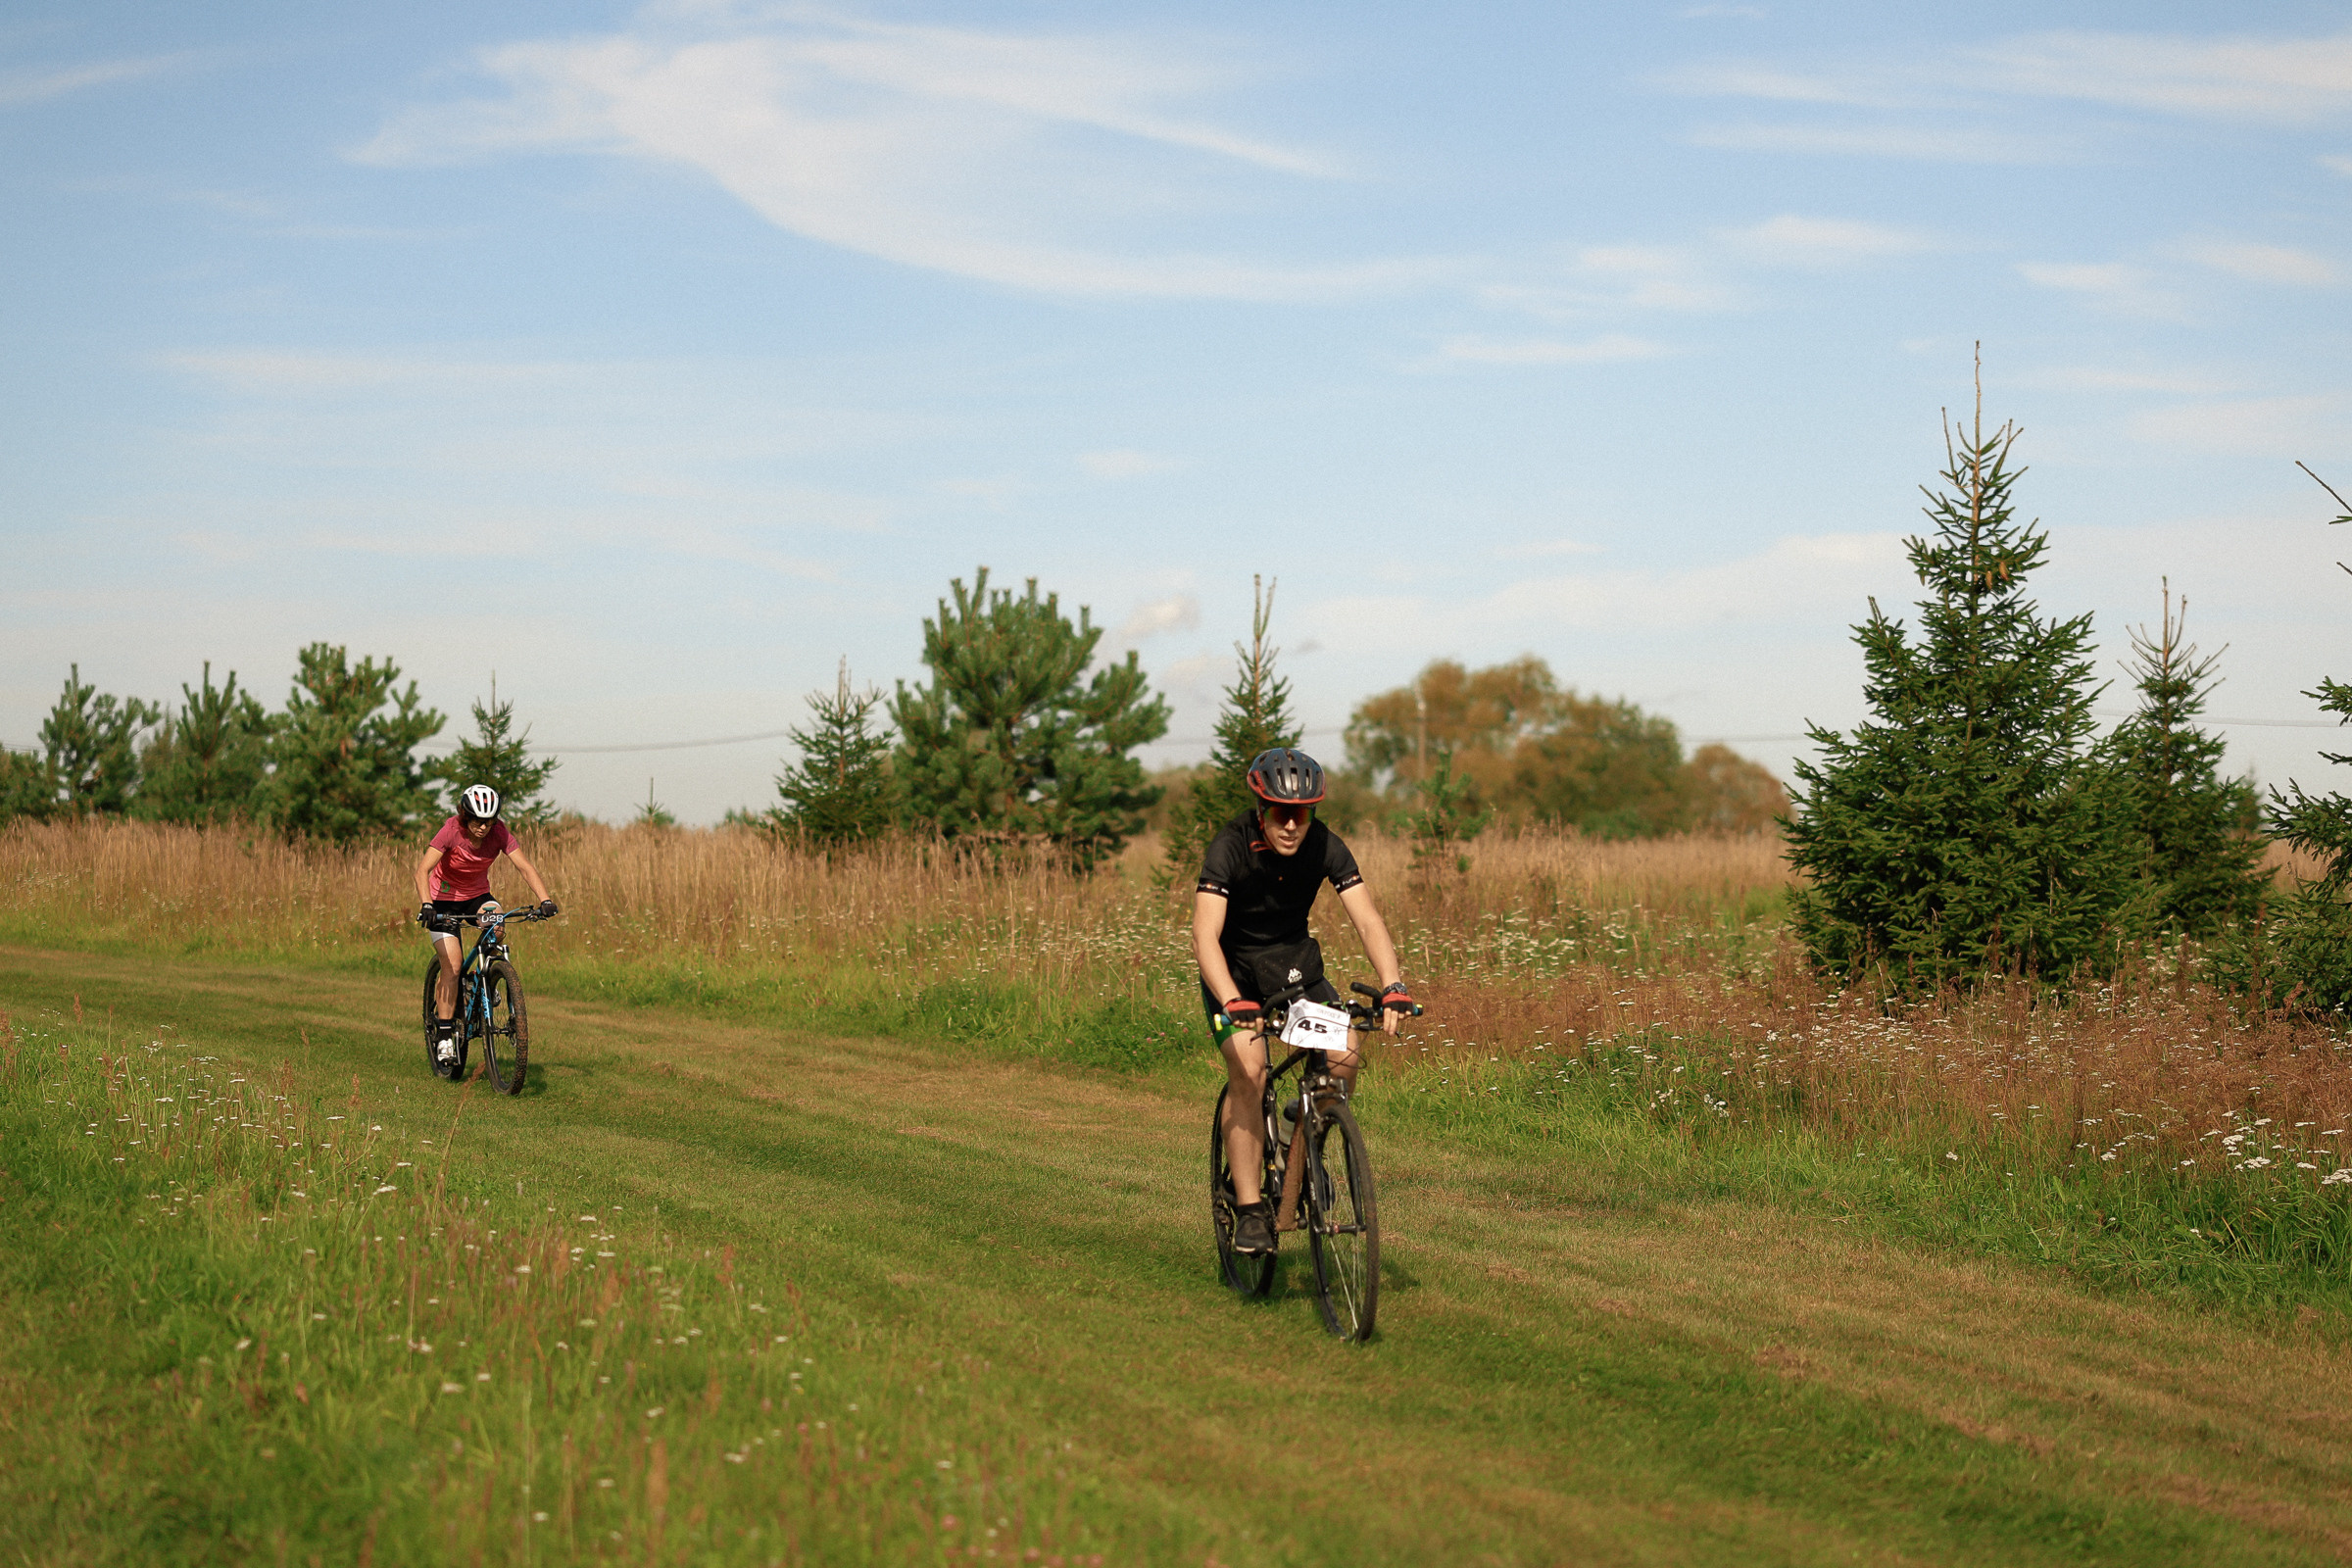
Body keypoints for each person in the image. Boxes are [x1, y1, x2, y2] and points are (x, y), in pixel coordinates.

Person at [1194, 748, 1412, 1256]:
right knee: (1249, 1070)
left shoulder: (1325, 845)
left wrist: (1393, 983)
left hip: (1295, 970)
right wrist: (1230, 999)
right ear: (1259, 809)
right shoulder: (1229, 846)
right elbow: (1205, 937)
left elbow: (1367, 919)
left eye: (1303, 813)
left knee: (1347, 1054)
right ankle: (1250, 1211)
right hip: (1235, 976)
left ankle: (1299, 1144)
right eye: (1279, 813)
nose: (1291, 826)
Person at [415, 784, 557, 1065]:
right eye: (477, 820)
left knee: (498, 925)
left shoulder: (499, 833)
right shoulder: (451, 830)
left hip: (477, 897)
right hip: (442, 901)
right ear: (465, 816)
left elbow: (525, 866)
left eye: (489, 821)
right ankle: (444, 1036)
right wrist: (426, 905)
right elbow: (422, 870)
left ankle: (489, 980)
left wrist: (545, 899)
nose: (483, 827)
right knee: (453, 966)